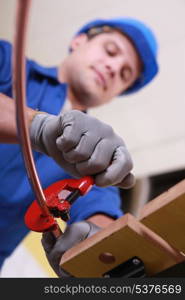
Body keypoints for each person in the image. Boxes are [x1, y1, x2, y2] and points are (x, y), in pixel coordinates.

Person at [0, 17, 158, 272]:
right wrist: (36, 125)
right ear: (78, 41)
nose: (113, 67)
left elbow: (102, 212)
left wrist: (98, 240)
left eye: (124, 74)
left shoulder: (95, 156)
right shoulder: (8, 63)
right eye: (111, 50)